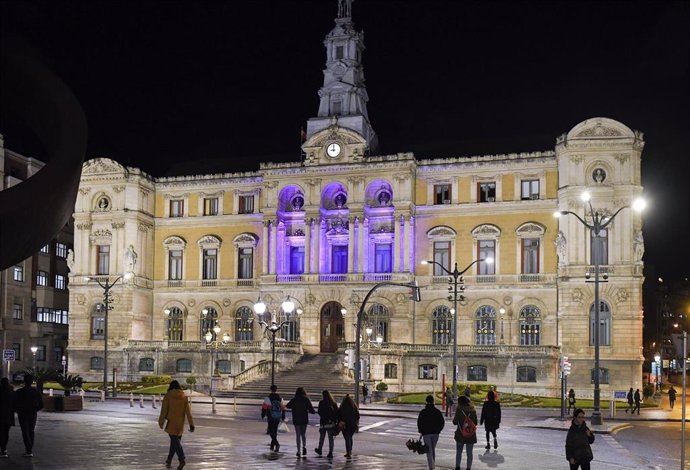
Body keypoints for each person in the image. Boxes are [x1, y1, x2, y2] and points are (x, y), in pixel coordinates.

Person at [158, 380, 194, 470]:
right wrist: (191, 424)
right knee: (174, 443)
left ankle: (182, 459)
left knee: (175, 442)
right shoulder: (184, 397)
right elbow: (188, 413)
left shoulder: (168, 396)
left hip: (171, 423)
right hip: (180, 424)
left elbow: (164, 411)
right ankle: (169, 459)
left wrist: (161, 422)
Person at [14, 374, 43, 458]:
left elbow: (14, 403)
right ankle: (29, 449)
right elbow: (41, 404)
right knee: (31, 431)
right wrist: (35, 410)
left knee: (25, 431)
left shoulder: (19, 392)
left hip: (22, 414)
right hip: (32, 414)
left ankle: (28, 449)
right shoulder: (35, 392)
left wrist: (18, 410)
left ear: (24, 381)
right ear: (32, 382)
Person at [286, 387, 316, 458]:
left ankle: (298, 451)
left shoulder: (294, 399)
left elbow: (288, 405)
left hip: (296, 419)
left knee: (298, 435)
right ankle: (304, 447)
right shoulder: (306, 399)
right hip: (304, 419)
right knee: (303, 434)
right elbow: (312, 410)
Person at [417, 394, 445, 470]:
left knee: (429, 451)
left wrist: (421, 431)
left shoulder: (423, 412)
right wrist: (438, 430)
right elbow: (442, 422)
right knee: (432, 450)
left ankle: (431, 467)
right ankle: (432, 465)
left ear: (426, 402)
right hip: (435, 434)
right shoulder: (437, 411)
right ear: (433, 401)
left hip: (426, 434)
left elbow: (419, 422)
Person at [453, 395, 477, 470]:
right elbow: (475, 422)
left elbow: (455, 422)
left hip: (460, 434)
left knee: (459, 452)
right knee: (469, 453)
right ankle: (468, 468)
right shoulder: (472, 410)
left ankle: (457, 467)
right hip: (470, 435)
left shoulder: (459, 410)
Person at [261, 384, 285, 452]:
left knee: (271, 431)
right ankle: (272, 445)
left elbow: (264, 407)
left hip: (270, 416)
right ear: (276, 389)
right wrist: (283, 415)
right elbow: (283, 407)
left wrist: (263, 414)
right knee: (275, 430)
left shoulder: (268, 398)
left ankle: (276, 443)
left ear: (270, 389)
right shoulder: (280, 398)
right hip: (277, 416)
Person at [315, 390, 338, 458]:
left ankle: (320, 449)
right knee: (330, 438)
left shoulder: (321, 402)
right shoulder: (333, 403)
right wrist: (333, 420)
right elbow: (336, 413)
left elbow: (319, 412)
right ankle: (330, 452)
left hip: (323, 423)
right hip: (330, 423)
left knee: (322, 437)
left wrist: (324, 417)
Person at [338, 394, 360, 459]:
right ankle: (350, 451)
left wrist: (341, 421)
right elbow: (357, 416)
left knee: (347, 438)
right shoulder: (354, 407)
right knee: (350, 437)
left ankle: (348, 452)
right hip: (353, 425)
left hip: (345, 425)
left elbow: (339, 415)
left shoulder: (342, 407)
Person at [0, 378, 15, 458]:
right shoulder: (11, 392)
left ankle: (3, 449)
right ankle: (4, 449)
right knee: (6, 433)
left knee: (1, 433)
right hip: (8, 415)